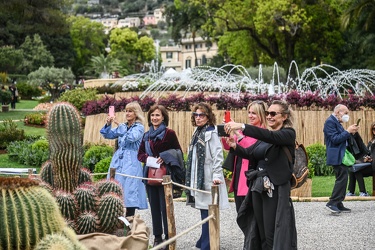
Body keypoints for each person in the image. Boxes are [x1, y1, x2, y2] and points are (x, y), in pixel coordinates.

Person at [225, 99, 297, 250]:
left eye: (273, 113)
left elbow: (270, 137)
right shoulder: (268, 136)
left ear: (284, 117)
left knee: (272, 230)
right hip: (258, 187)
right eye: (267, 113)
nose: (269, 116)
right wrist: (233, 146)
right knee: (259, 229)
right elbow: (251, 154)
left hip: (274, 188)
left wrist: (243, 127)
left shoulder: (287, 134)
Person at [137, 104, 182, 249]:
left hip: (165, 177)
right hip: (150, 176)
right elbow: (140, 154)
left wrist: (164, 156)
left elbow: (178, 152)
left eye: (158, 115)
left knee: (165, 208)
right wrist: (147, 158)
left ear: (163, 117)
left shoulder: (170, 134)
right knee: (154, 208)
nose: (155, 118)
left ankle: (169, 237)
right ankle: (157, 238)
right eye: (152, 115)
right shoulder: (146, 135)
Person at [185, 102, 229, 250]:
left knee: (208, 210)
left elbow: (218, 155)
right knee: (203, 209)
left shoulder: (211, 132)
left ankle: (207, 243)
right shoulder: (197, 132)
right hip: (198, 175)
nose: (198, 118)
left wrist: (216, 175)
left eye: (201, 115)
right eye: (196, 115)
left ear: (208, 116)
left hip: (209, 176)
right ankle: (204, 239)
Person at [100, 102, 148, 217]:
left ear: (136, 113)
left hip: (131, 161)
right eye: (126, 111)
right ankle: (116, 219)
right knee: (116, 187)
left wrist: (120, 126)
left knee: (130, 189)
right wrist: (108, 123)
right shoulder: (124, 126)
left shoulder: (139, 127)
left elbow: (131, 138)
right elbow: (108, 135)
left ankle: (129, 220)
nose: (127, 113)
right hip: (118, 160)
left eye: (130, 111)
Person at [221, 101, 268, 212]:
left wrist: (237, 132)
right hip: (239, 178)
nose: (250, 116)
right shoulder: (245, 131)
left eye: (254, 113)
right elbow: (229, 148)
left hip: (251, 179)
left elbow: (251, 150)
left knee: (252, 216)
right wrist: (226, 134)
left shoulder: (264, 132)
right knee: (241, 214)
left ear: (261, 114)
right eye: (249, 112)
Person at [323, 104, 358, 214]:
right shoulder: (330, 122)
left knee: (343, 178)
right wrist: (347, 131)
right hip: (336, 155)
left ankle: (338, 202)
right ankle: (332, 202)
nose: (347, 115)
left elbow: (342, 138)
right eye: (345, 113)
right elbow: (335, 139)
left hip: (341, 155)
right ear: (338, 112)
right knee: (341, 178)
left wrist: (350, 132)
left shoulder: (336, 122)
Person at [347, 124, 375, 196]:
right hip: (370, 164)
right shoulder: (371, 141)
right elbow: (367, 152)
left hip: (373, 166)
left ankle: (363, 192)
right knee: (352, 169)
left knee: (357, 170)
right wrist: (366, 158)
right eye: (373, 129)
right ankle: (351, 192)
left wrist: (371, 158)